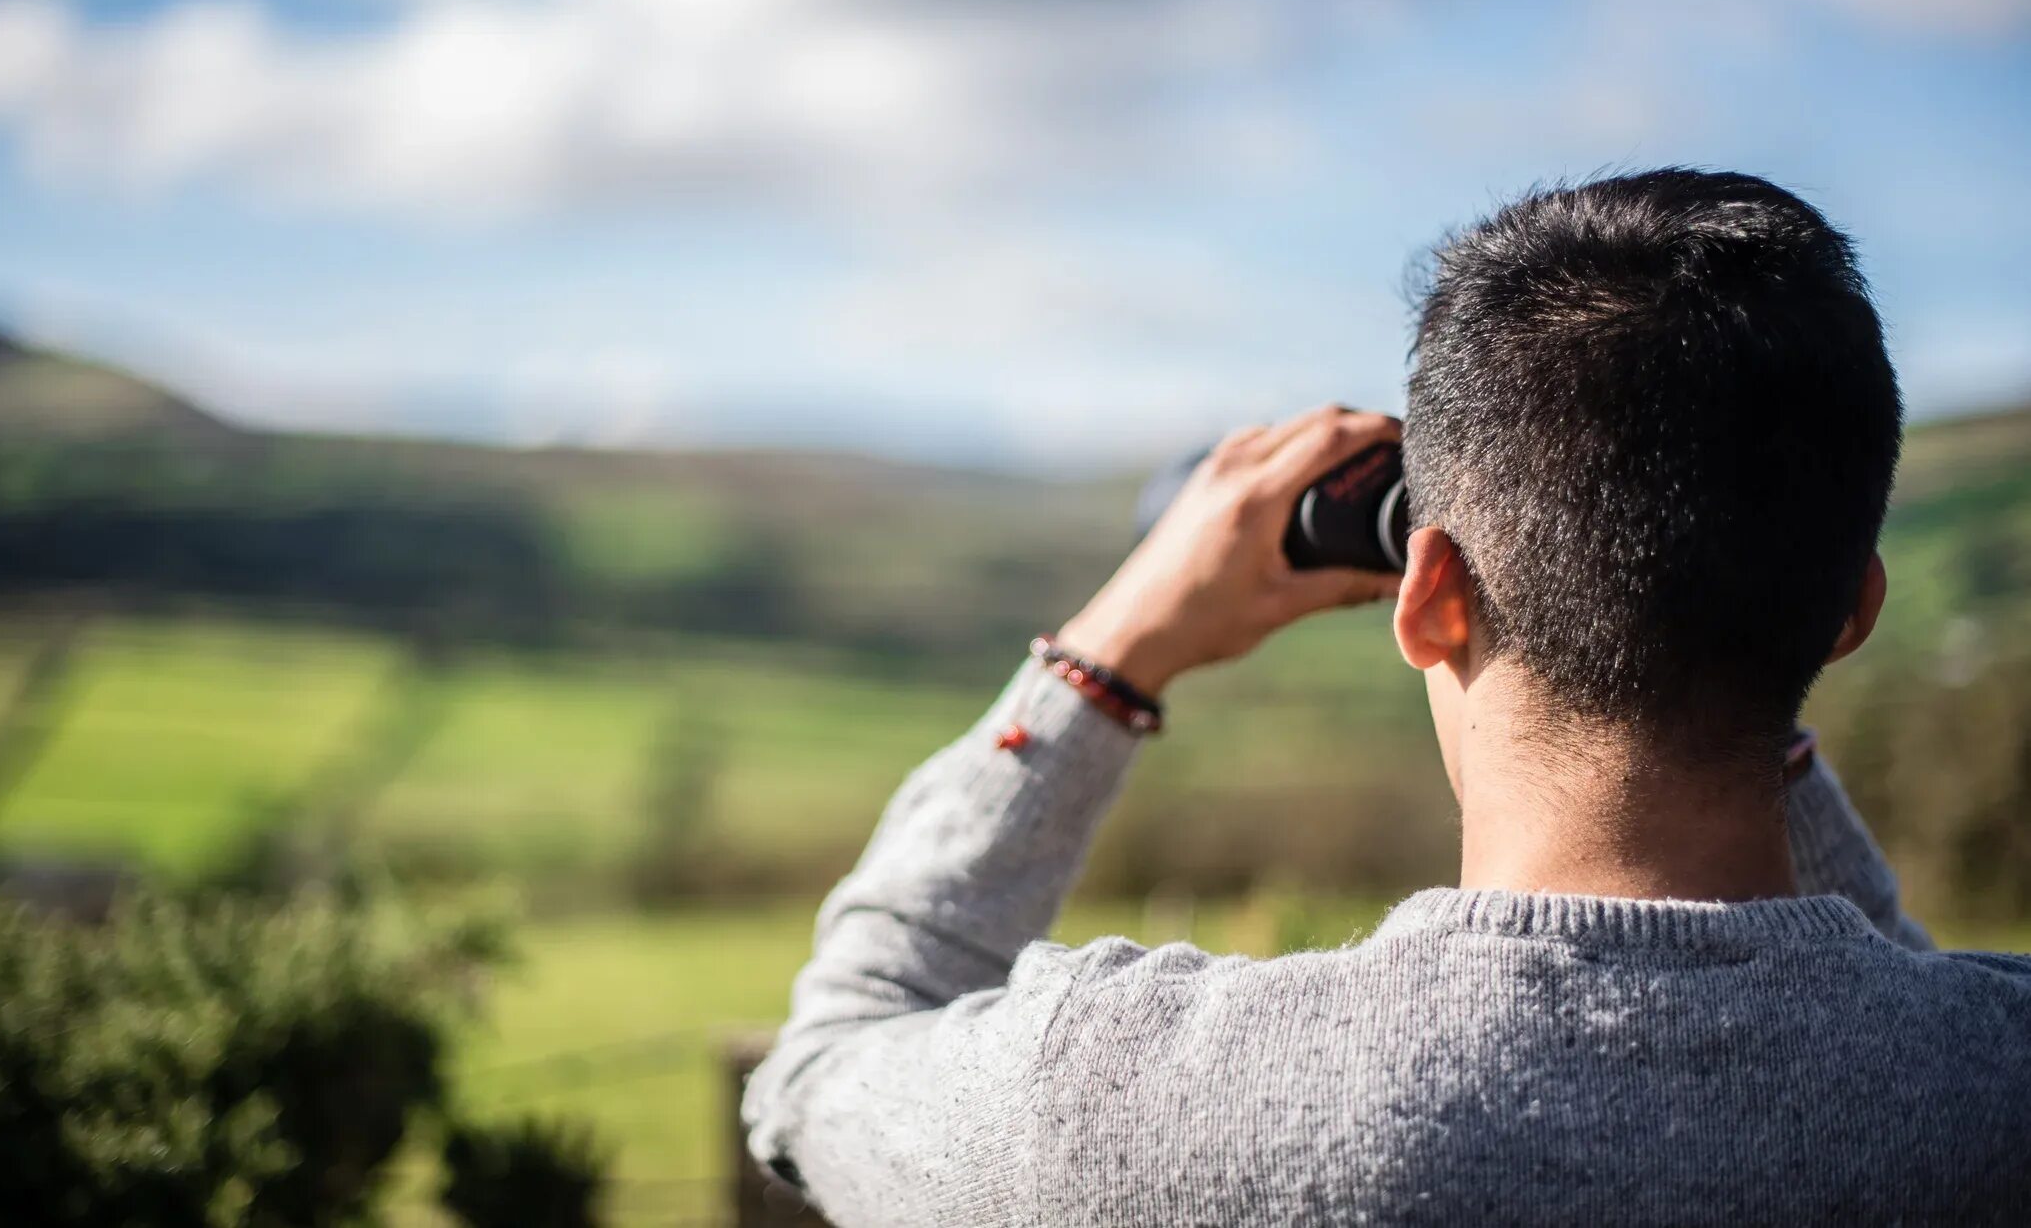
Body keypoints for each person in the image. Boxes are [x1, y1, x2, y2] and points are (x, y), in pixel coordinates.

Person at [741, 169, 2031, 1225]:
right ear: (1852, 611)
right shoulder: (1989, 1086)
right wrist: (1746, 615)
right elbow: (1895, 1008)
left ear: (1429, 596)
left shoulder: (1124, 1104)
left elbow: (828, 1061)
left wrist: (1103, 659)